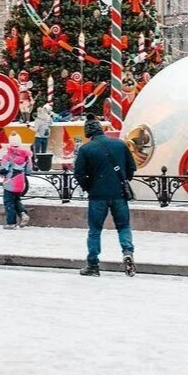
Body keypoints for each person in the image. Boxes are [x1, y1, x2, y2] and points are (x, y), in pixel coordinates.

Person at [73, 116, 137, 277]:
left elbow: (79, 173)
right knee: (123, 226)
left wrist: (89, 186)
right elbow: (131, 168)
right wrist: (122, 180)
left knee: (95, 230)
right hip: (119, 194)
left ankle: (93, 264)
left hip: (97, 196)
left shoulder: (86, 149)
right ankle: (127, 251)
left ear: (88, 132)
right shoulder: (120, 145)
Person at [0, 133, 32, 229]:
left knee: (8, 202)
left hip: (10, 182)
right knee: (16, 199)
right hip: (21, 182)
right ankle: (23, 213)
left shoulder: (8, 156)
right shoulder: (26, 155)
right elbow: (29, 170)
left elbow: (3, 170)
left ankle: (11, 223)